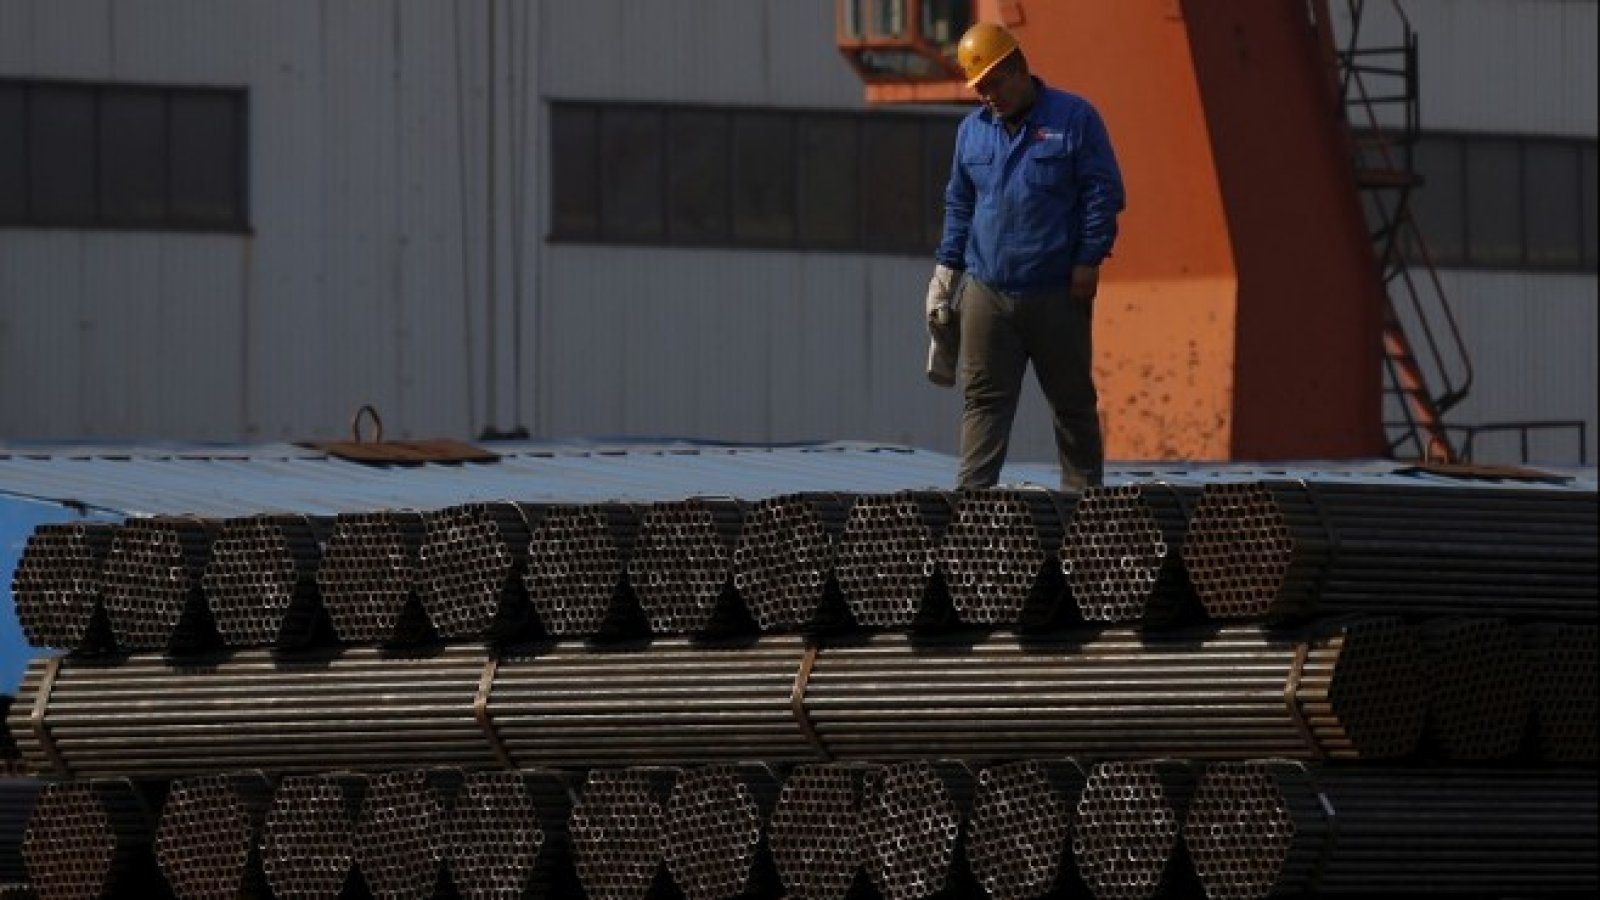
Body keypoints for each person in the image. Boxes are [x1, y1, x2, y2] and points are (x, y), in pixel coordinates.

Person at [925, 21, 1125, 492]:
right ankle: (971, 506)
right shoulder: (972, 133)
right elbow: (960, 204)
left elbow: (1103, 193)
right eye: (980, 88)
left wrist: (1089, 260)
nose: (988, 96)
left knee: (1072, 404)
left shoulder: (1074, 119)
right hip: (987, 291)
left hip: (1057, 289)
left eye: (994, 84)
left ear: (1018, 68)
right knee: (983, 402)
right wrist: (946, 273)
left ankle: (1084, 506)